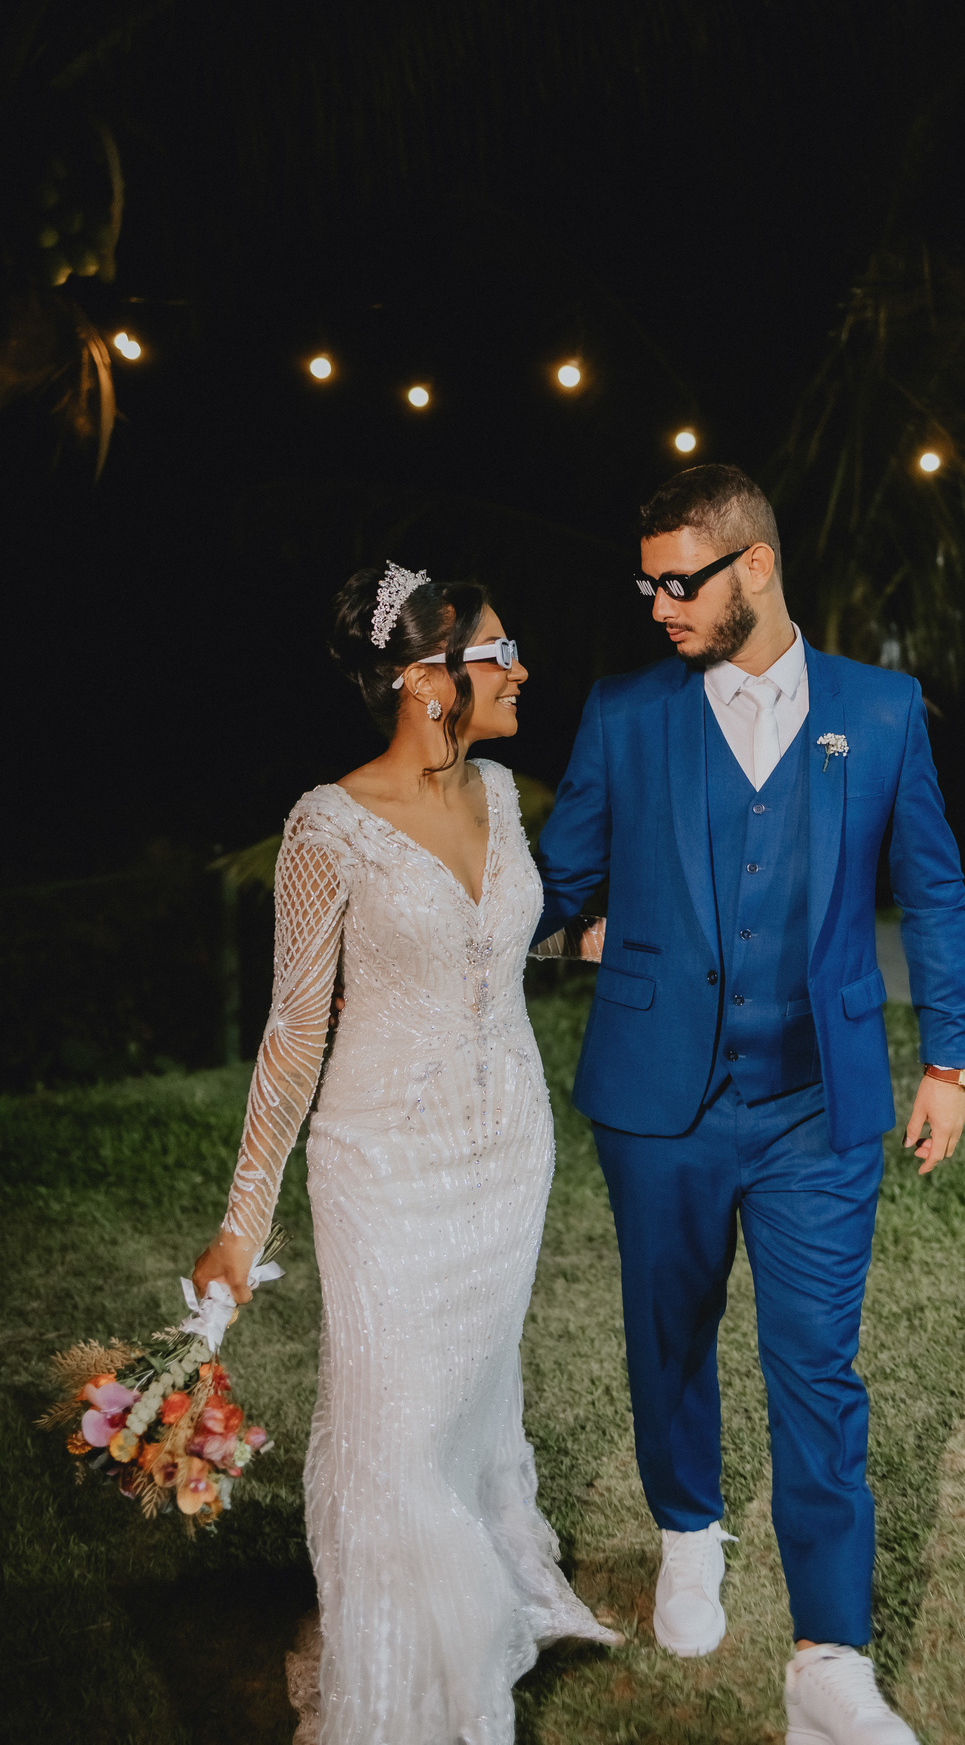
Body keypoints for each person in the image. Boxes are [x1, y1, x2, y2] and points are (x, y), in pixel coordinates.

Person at [533, 465, 965, 1745]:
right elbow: (555, 887)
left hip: (816, 1105)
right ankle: (689, 1529)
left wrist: (949, 1062)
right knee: (668, 1334)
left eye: (682, 581)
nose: (660, 606)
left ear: (758, 565)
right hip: (657, 1100)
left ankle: (828, 1659)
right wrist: (496, 918)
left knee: (820, 1370)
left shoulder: (880, 710)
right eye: (647, 585)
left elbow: (931, 886)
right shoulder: (626, 713)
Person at [193, 565, 617, 1745]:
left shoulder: (499, 792)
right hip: (382, 1169)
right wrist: (241, 1223)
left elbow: (497, 944)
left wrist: (600, 942)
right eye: (500, 652)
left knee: (468, 1408)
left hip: (507, 1154)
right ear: (429, 681)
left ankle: (477, 1605)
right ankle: (411, 1687)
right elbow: (297, 1030)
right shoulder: (326, 827)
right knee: (394, 1432)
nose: (521, 669)